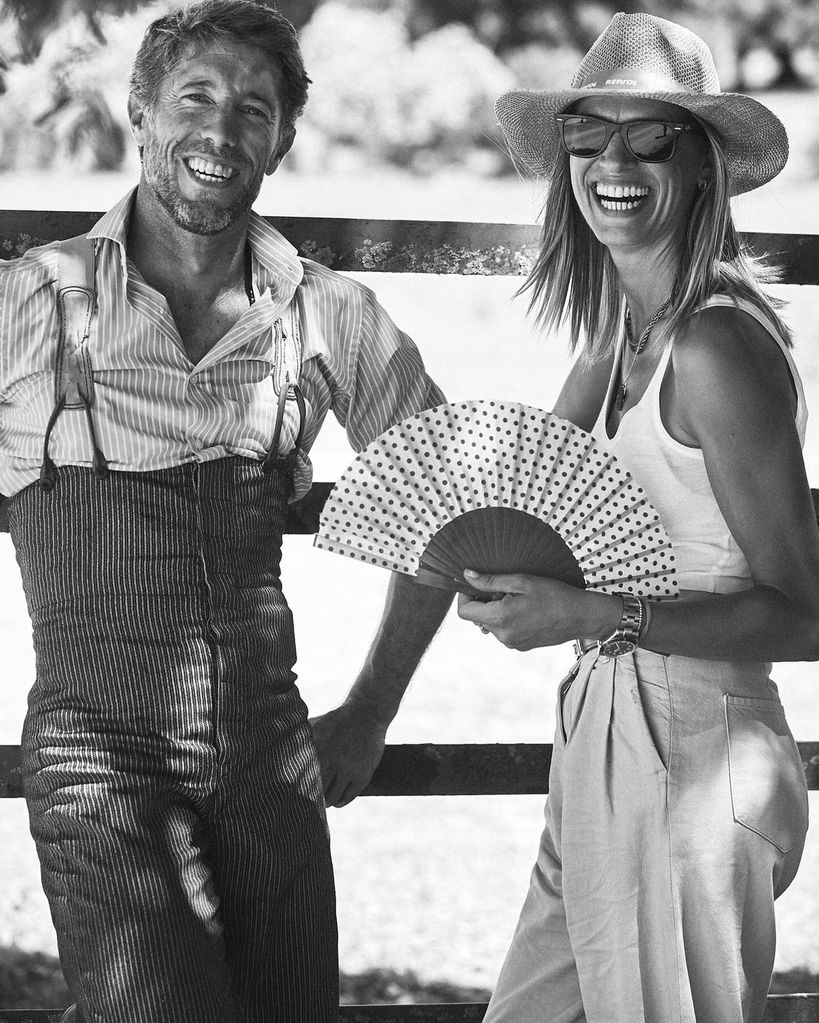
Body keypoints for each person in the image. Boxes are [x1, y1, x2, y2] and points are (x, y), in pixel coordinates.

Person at [0, 2, 451, 1021]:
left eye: (254, 109)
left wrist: (373, 712)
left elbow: (447, 498)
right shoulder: (35, 300)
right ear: (141, 112)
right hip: (97, 758)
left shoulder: (325, 311)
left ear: (281, 141)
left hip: (269, 757)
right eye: (195, 96)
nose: (221, 129)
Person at [453, 12, 819, 1023]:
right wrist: (485, 565)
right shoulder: (619, 340)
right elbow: (530, 503)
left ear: (702, 165)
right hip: (603, 739)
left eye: (651, 136)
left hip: (697, 756)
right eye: (588, 136)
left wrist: (583, 616)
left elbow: (807, 613)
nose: (614, 161)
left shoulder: (713, 350)